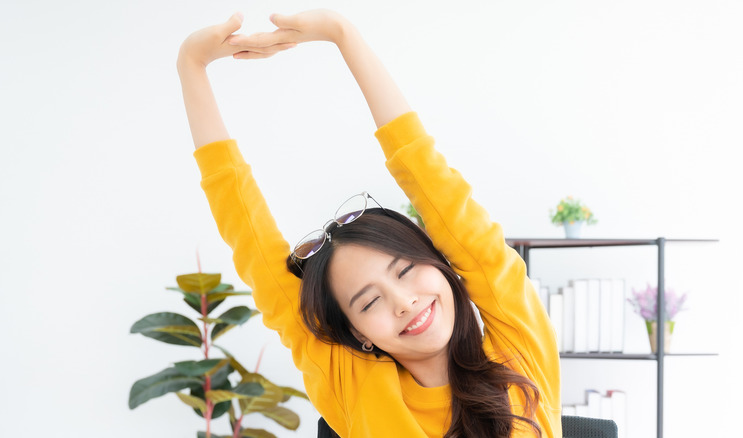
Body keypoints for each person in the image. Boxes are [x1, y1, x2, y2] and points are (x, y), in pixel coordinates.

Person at [178, 9, 561, 437]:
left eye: (405, 270)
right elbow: (251, 239)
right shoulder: (354, 387)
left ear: (440, 262)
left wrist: (344, 36)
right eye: (368, 302)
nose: (402, 301)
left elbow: (437, 188)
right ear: (356, 332)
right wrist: (191, 66)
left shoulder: (517, 347)